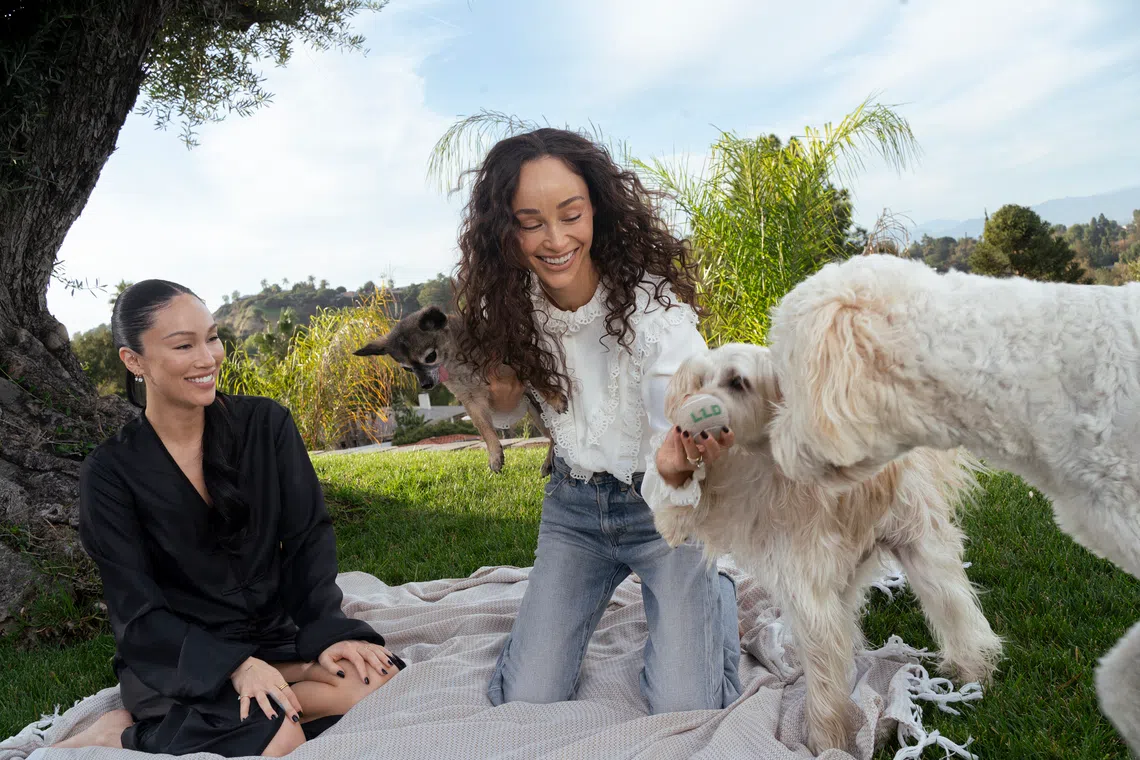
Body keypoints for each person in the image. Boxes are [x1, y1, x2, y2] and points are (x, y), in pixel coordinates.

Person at [453, 127, 742, 714]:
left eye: (570, 214)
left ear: (597, 211)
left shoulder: (654, 311)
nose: (554, 239)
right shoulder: (507, 307)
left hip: (663, 511)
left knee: (684, 709)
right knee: (526, 696)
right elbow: (510, 414)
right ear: (504, 231)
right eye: (530, 221)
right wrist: (502, 394)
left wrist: (674, 462)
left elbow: (679, 424)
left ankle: (716, 587)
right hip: (574, 510)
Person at [55, 280, 404, 757]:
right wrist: (234, 666)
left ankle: (273, 686)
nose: (207, 358)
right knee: (278, 735)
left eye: (212, 338)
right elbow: (136, 610)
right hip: (180, 654)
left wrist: (325, 633)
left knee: (370, 677)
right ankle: (120, 732)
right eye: (183, 345)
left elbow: (307, 541)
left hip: (271, 634)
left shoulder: (267, 425)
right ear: (133, 361)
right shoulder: (110, 472)